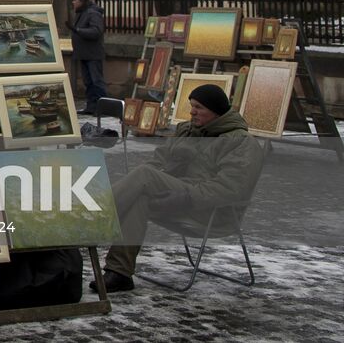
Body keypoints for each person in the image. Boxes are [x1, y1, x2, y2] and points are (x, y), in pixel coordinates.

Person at [96, 84, 260, 292]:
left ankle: (88, 218)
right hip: (175, 197)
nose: (192, 112)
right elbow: (158, 162)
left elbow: (231, 189)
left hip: (212, 212)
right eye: (191, 106)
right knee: (140, 195)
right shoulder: (187, 131)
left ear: (216, 110)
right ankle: (119, 273)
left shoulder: (240, 142)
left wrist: (184, 197)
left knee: (145, 175)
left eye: (199, 107)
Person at [68, 0, 107, 114]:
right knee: (88, 82)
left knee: (97, 82)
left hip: (93, 54)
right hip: (84, 53)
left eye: (75, 0)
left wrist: (78, 30)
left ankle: (102, 108)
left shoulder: (93, 13)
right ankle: (91, 107)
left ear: (81, 1)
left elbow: (96, 31)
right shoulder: (82, 13)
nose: (73, 3)